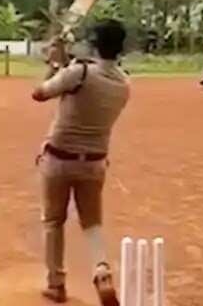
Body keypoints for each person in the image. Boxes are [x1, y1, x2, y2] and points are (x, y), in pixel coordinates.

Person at [32, 19, 130, 306]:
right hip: (95, 162)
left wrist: (54, 64)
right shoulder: (124, 84)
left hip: (59, 158)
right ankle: (101, 270)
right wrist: (66, 64)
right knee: (92, 223)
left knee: (53, 221)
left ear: (94, 45)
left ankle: (56, 284)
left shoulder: (80, 72)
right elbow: (84, 87)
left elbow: (39, 93)